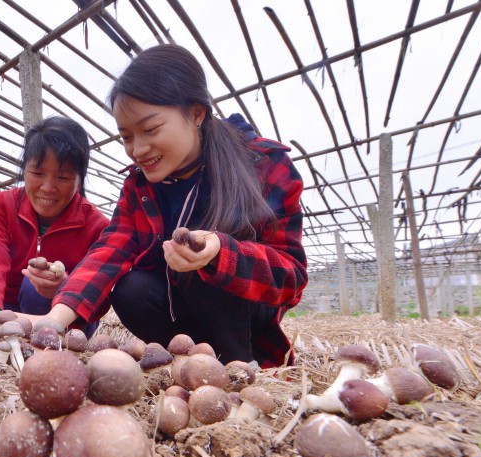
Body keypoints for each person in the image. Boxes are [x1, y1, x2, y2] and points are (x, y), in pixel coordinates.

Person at [45, 45, 308, 368]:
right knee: (131, 289)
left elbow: (291, 280)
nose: (138, 149)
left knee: (205, 267)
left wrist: (222, 253)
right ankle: (183, 364)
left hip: (246, 323)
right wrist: (54, 320)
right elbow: (109, 250)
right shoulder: (140, 188)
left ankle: (239, 368)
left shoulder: (264, 166)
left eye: (151, 129)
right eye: (126, 137)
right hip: (180, 318)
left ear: (196, 113)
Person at [0, 115, 109, 343]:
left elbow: (102, 293)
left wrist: (64, 288)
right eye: (37, 174)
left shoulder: (97, 225)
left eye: (63, 176)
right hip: (9, 308)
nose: (48, 187)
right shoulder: (4, 206)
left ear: (79, 179)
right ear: (24, 170)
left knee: (33, 286)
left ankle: (40, 348)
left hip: (65, 321)